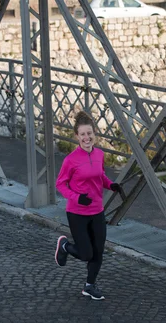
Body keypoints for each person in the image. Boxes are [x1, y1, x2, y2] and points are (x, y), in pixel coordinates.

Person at [54, 110, 123, 300]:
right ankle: (65, 246)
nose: (87, 137)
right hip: (77, 213)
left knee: (98, 252)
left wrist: (111, 184)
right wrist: (77, 197)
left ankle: (89, 286)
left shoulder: (99, 154)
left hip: (97, 211)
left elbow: (99, 176)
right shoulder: (71, 160)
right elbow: (60, 184)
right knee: (86, 253)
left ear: (94, 134)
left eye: (89, 133)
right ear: (77, 136)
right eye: (83, 134)